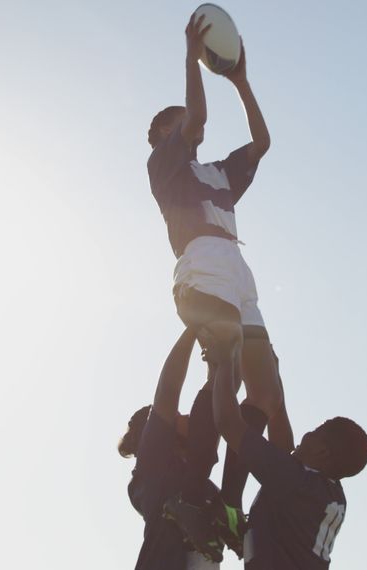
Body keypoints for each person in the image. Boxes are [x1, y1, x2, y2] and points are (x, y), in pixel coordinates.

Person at [146, 12, 281, 558]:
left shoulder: (220, 174)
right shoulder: (164, 165)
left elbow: (263, 142)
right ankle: (207, 496)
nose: (190, 129)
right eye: (177, 126)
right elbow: (197, 120)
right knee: (223, 367)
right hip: (201, 265)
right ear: (162, 135)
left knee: (263, 394)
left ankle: (230, 502)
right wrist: (191, 57)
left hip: (239, 271)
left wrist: (241, 80)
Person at [206, 337, 367, 569]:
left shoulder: (296, 482)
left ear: (322, 452)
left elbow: (227, 422)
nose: (306, 434)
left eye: (314, 431)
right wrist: (273, 374)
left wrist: (224, 360)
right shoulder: (324, 491)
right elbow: (282, 445)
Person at [119, 328, 221, 569]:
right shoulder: (154, 469)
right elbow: (168, 390)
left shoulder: (197, 468)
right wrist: (193, 328)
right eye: (178, 415)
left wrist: (215, 360)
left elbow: (213, 405)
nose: (187, 414)